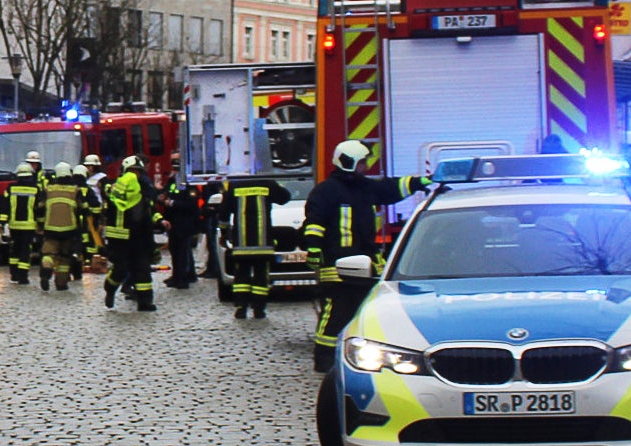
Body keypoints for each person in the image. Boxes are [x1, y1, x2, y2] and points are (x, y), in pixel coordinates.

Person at [304, 141, 429, 371]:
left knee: (368, 315)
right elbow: (314, 223)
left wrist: (417, 182)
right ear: (348, 162)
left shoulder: (364, 188)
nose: (365, 167)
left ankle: (360, 358)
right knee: (336, 313)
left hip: (366, 264)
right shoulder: (326, 191)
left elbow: (390, 189)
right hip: (336, 266)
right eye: (361, 162)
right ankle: (324, 361)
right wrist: (313, 248)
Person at [219, 175, 291, 320]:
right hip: (263, 243)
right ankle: (259, 309)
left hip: (241, 243)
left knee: (241, 276)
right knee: (261, 277)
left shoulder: (234, 184)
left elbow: (223, 212)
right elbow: (285, 198)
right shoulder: (267, 182)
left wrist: (224, 232)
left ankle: (241, 307)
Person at [103, 155, 159, 311]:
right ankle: (110, 288)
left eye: (138, 171)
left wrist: (160, 221)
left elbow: (150, 210)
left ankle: (145, 302)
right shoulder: (115, 189)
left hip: (140, 237)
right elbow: (108, 194)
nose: (135, 174)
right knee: (120, 269)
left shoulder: (144, 191)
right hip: (120, 239)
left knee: (143, 270)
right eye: (132, 171)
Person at [39, 164, 83, 290]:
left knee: (48, 253)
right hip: (70, 229)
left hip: (50, 229)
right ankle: (61, 284)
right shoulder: (75, 191)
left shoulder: (48, 190)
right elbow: (82, 209)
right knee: (65, 257)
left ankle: (46, 271)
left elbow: (40, 209)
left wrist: (41, 225)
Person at [160, 181, 207, 289]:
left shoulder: (189, 185)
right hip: (173, 222)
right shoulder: (172, 182)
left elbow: (191, 204)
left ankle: (183, 278)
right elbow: (166, 194)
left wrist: (173, 203)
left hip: (185, 223)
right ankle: (176, 276)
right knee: (174, 250)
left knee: (182, 251)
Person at [4, 162, 43, 285]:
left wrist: (3, 222)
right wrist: (41, 224)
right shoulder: (36, 189)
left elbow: (4, 207)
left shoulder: (10, 188)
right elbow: (39, 209)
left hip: (14, 225)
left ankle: (14, 274)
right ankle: (23, 277)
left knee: (15, 249)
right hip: (29, 225)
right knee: (25, 250)